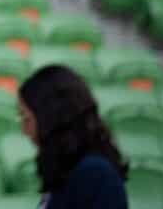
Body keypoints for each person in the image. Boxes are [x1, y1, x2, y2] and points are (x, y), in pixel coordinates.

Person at [18, 65, 129, 209]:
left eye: (26, 119)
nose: (24, 130)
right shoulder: (66, 170)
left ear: (51, 119)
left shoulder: (94, 174)